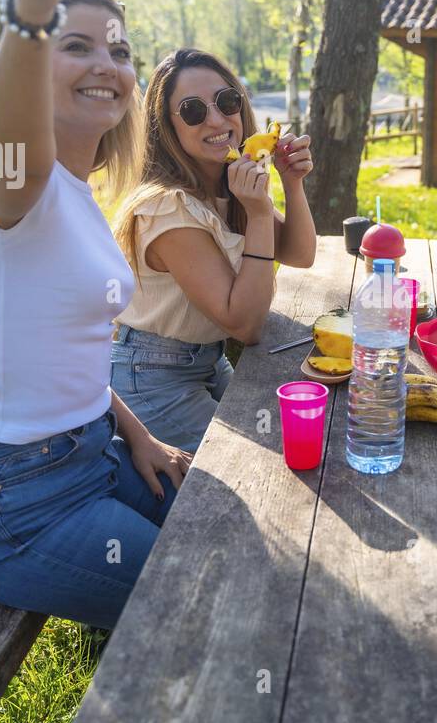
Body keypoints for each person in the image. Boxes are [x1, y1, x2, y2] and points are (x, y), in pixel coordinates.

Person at [0, 0, 191, 631]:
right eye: (74, 45)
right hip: (14, 507)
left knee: (226, 530)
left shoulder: (79, 198)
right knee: (192, 609)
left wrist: (138, 436)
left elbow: (71, 358)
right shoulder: (8, 177)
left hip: (95, 455)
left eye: (117, 50)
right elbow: (9, 128)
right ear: (31, 65)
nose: (106, 65)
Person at [109, 49, 316, 452]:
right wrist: (258, 217)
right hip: (152, 375)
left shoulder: (227, 183)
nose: (218, 120)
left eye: (227, 101)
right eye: (192, 111)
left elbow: (299, 254)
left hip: (206, 361)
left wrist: (292, 183)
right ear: (166, 128)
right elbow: (245, 325)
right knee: (251, 462)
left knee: (287, 433)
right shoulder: (165, 207)